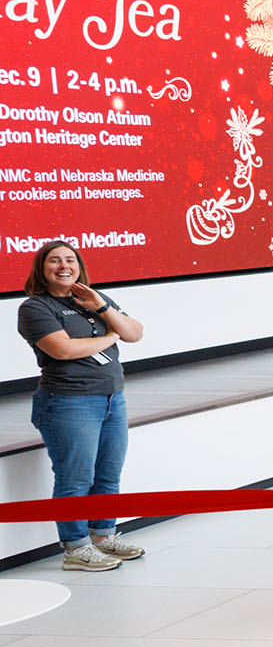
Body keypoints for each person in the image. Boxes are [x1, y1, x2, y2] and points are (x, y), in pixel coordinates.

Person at [16, 241, 148, 571]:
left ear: (79, 266)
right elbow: (63, 350)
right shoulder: (35, 308)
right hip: (68, 403)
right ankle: (76, 547)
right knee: (75, 479)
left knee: (107, 475)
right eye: (54, 261)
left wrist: (103, 308)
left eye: (70, 260)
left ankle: (103, 536)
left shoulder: (94, 299)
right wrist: (110, 336)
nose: (63, 266)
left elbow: (134, 333)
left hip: (111, 399)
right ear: (41, 269)